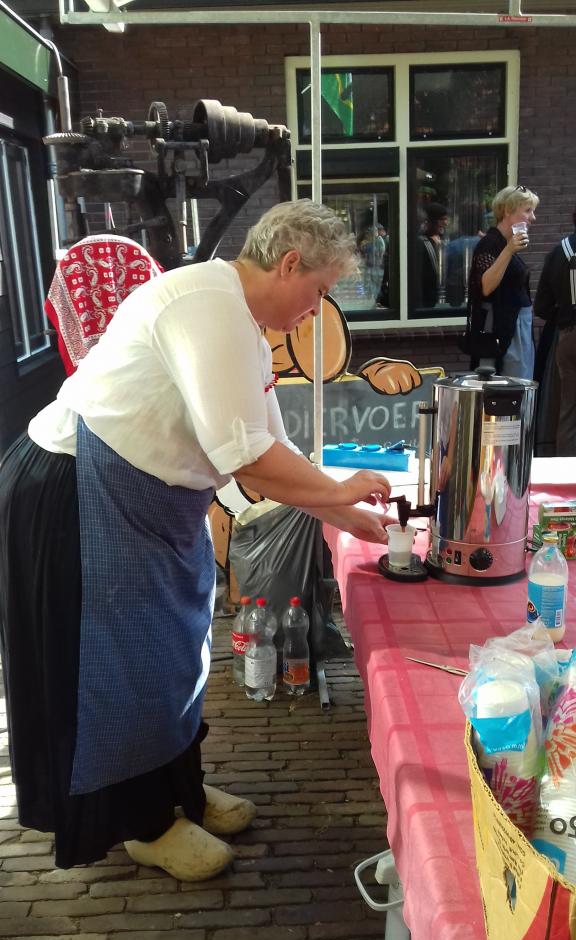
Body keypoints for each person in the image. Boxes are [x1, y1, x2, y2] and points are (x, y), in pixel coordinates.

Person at [0, 200, 395, 881]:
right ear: (289, 264)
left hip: (142, 502)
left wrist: (342, 511)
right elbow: (247, 457)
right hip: (74, 494)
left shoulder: (240, 318)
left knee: (173, 656)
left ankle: (177, 790)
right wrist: (339, 491)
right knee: (121, 665)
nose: (316, 310)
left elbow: (269, 443)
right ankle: (144, 823)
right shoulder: (207, 307)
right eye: (319, 290)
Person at [467, 185, 539, 379]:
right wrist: (509, 250)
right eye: (528, 211)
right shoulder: (490, 244)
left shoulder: (503, 242)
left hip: (516, 326)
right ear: (507, 210)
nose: (533, 218)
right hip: (501, 329)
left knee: (520, 384)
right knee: (506, 386)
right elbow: (486, 287)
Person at [533, 209, 576, 455]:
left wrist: (566, 316)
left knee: (568, 410)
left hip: (568, 336)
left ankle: (567, 469)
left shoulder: (558, 252)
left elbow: (541, 306)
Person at [414, 202, 449, 309]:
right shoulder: (420, 243)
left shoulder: (444, 240)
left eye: (446, 219)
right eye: (441, 219)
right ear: (432, 221)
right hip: (427, 300)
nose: (445, 223)